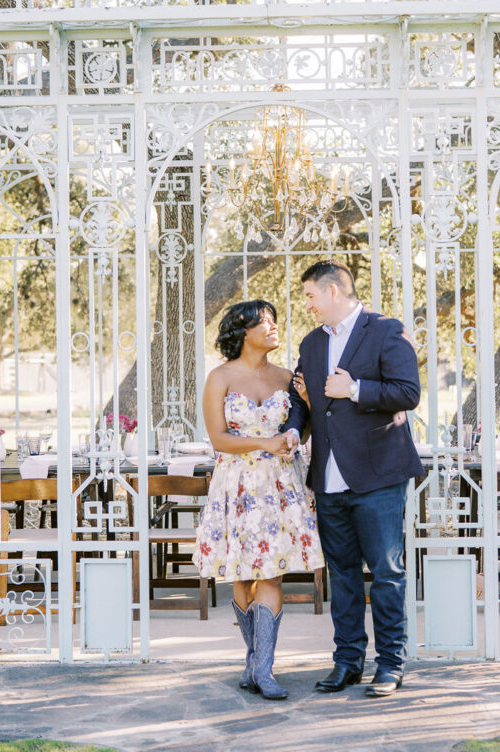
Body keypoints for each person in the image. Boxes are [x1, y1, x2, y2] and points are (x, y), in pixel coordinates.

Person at [282, 260, 422, 698]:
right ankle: (346, 663)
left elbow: (408, 392)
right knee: (341, 575)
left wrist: (356, 389)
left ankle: (391, 665)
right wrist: (292, 426)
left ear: (333, 292)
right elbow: (302, 400)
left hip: (379, 475)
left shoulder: (386, 330)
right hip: (328, 478)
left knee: (386, 572)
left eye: (310, 295)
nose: (307, 304)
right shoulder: (310, 343)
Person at [194, 299, 324, 700]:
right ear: (242, 331)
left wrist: (296, 428)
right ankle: (252, 659)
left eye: (273, 321)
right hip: (235, 486)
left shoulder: (287, 377)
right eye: (262, 322)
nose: (272, 327)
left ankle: (264, 670)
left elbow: (299, 430)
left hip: (279, 486)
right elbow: (218, 439)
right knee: (243, 575)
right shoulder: (219, 377)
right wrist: (263, 442)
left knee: (271, 573)